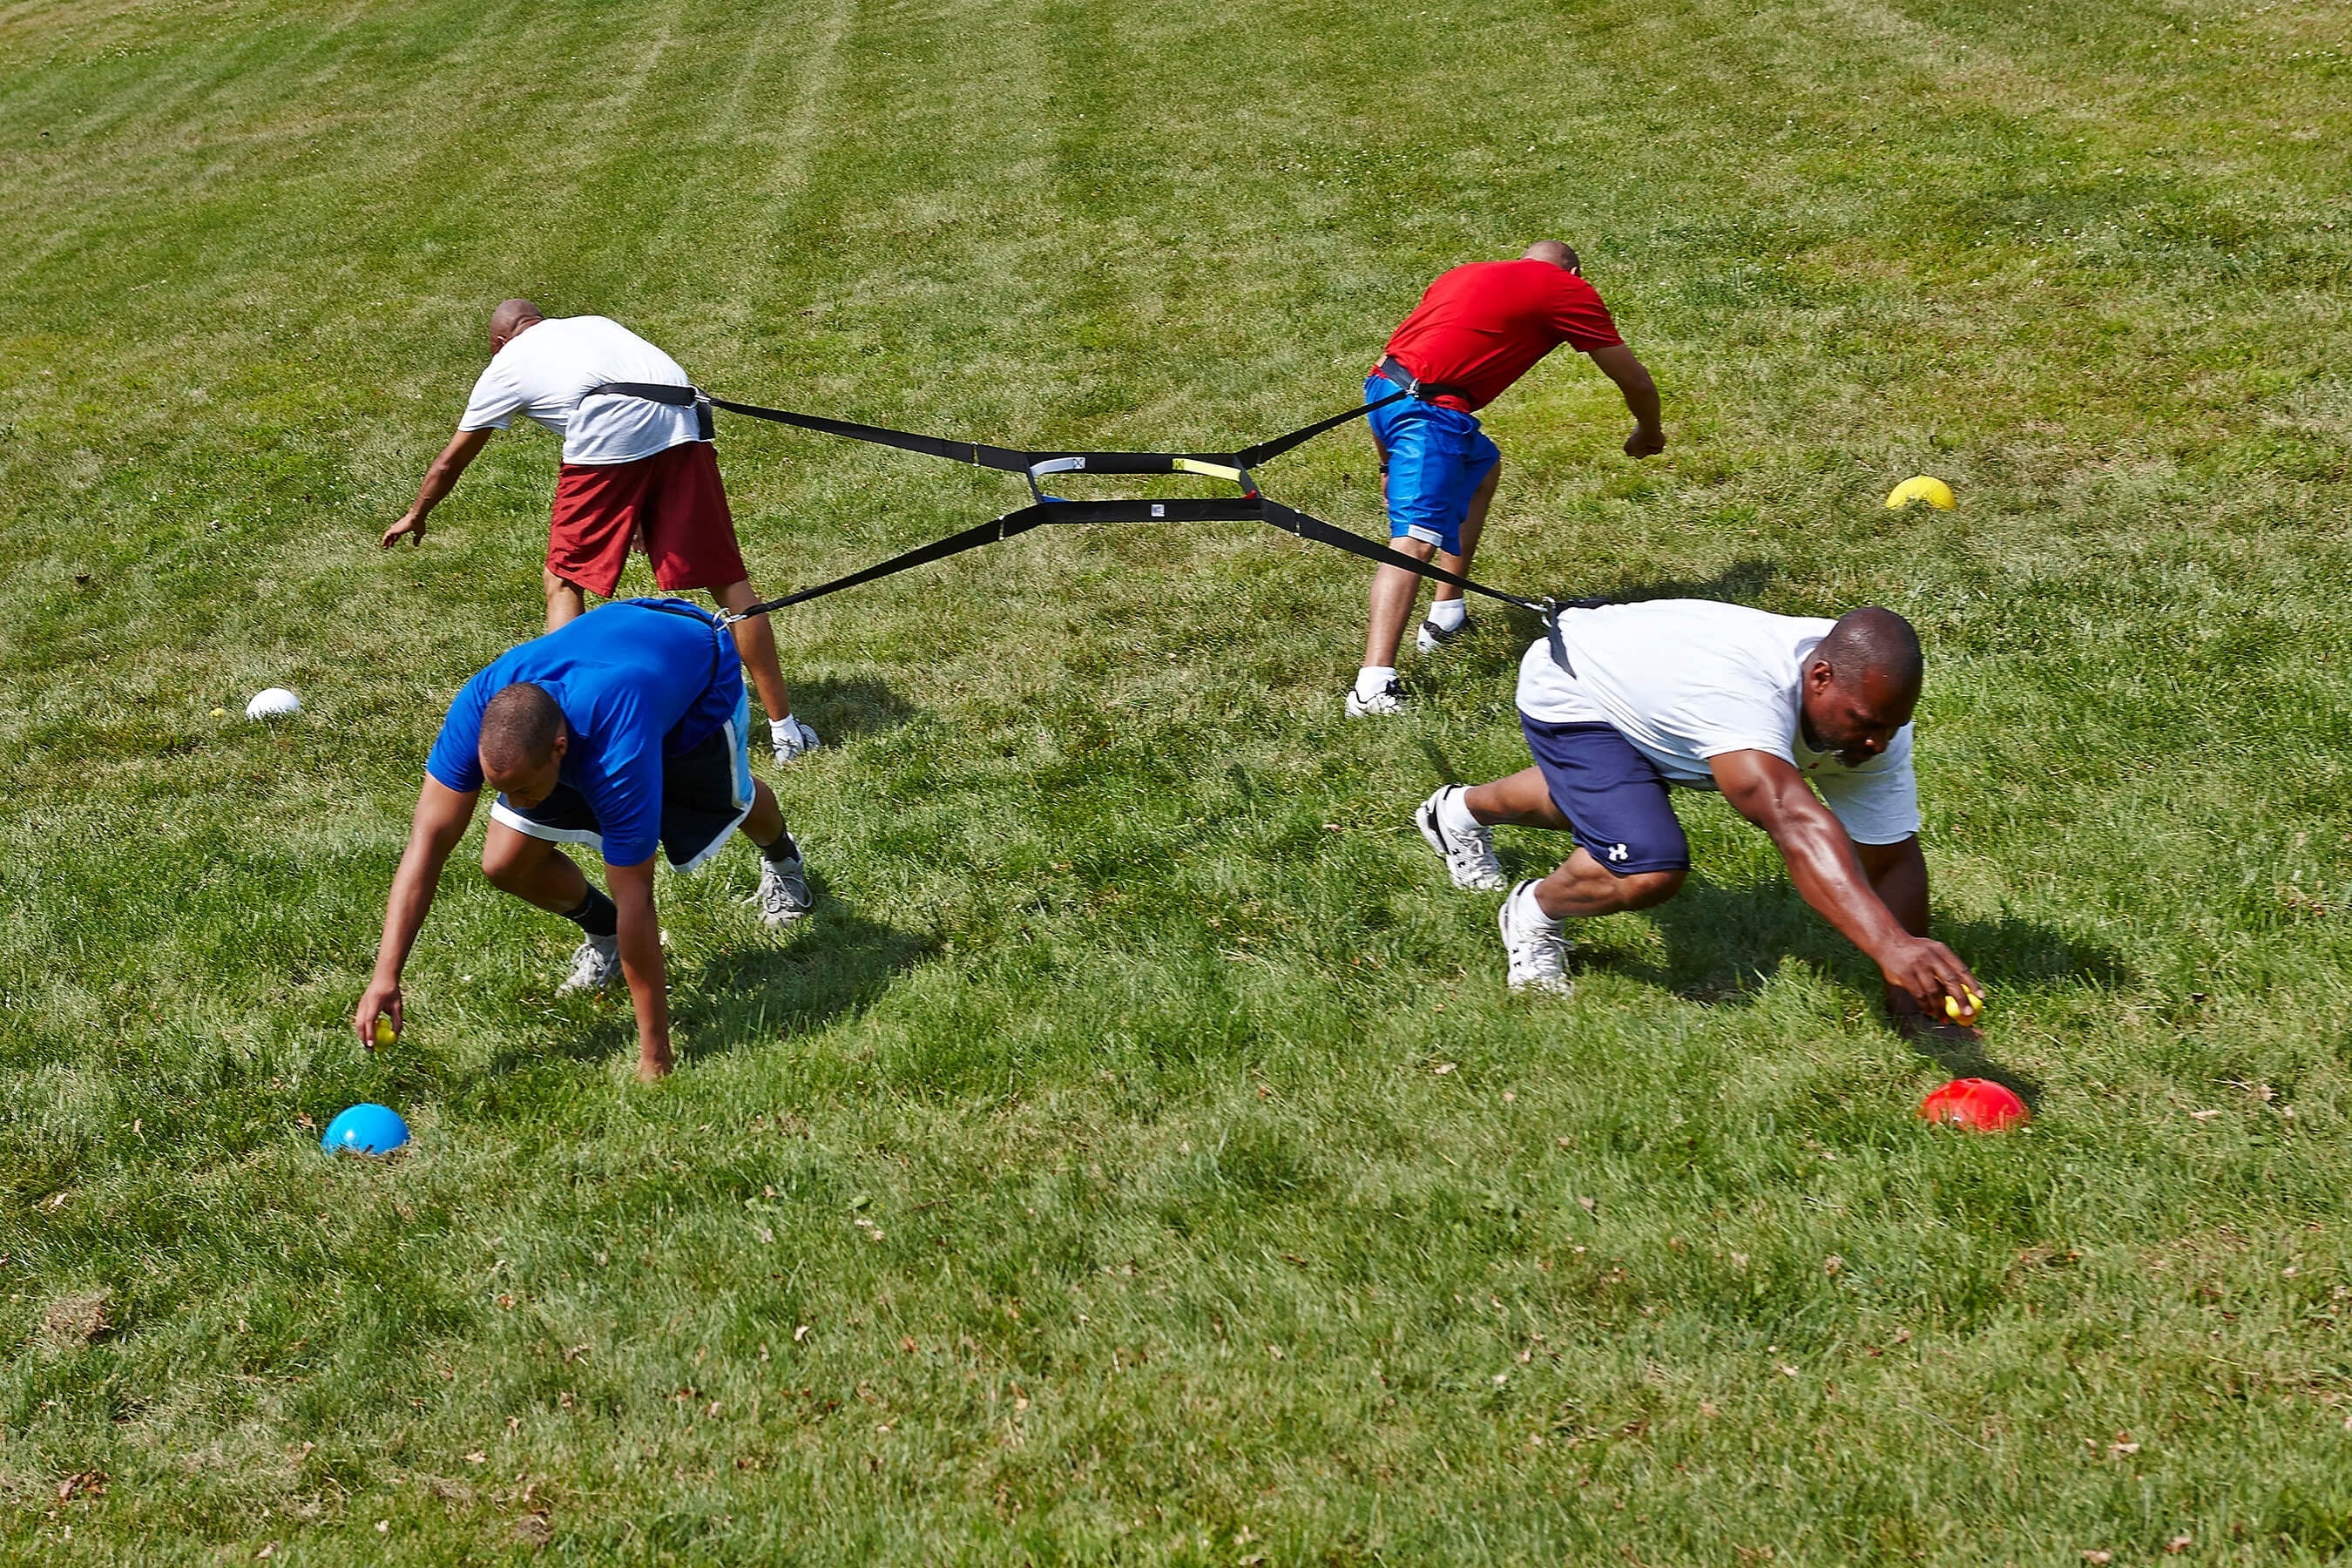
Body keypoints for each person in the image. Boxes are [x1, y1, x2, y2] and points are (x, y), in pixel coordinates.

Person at [1411, 601, 1984, 1035]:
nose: (1876, 742)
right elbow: (1793, 822)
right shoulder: (1744, 696)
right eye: (1865, 723)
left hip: (1658, 698)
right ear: (1820, 677)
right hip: (1576, 684)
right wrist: (1890, 945)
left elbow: (1890, 856)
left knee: (1613, 806)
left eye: (1889, 726)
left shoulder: (1872, 714)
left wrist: (1915, 1003)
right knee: (1647, 863)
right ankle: (1533, 911)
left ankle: (1456, 812)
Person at [354, 598, 813, 1082]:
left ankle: (783, 860)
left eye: (522, 789)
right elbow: (427, 843)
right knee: (506, 863)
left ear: (560, 750)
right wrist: (386, 974)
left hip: (693, 671)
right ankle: (606, 936)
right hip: (602, 669)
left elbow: (636, 892)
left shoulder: (617, 744)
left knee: (725, 801)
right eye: (503, 790)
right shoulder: (483, 707)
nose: (516, 801)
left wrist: (654, 1054)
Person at [382, 300, 822, 765]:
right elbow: (645, 409)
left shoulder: (506, 365)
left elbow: (453, 459)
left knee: (563, 578)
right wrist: (634, 508)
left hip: (611, 419)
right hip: (683, 414)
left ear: (497, 342)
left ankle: (566, 732)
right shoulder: (593, 324)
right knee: (728, 581)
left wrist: (417, 512)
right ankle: (786, 732)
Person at [1348, 241, 1665, 717]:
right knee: (1414, 538)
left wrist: (1386, 463)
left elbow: (1408, 352)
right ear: (1575, 271)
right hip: (1430, 413)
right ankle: (1373, 685)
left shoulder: (1465, 272)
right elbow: (1634, 380)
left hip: (1384, 390)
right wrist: (1649, 430)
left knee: (1481, 470)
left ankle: (1447, 615)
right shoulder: (1567, 289)